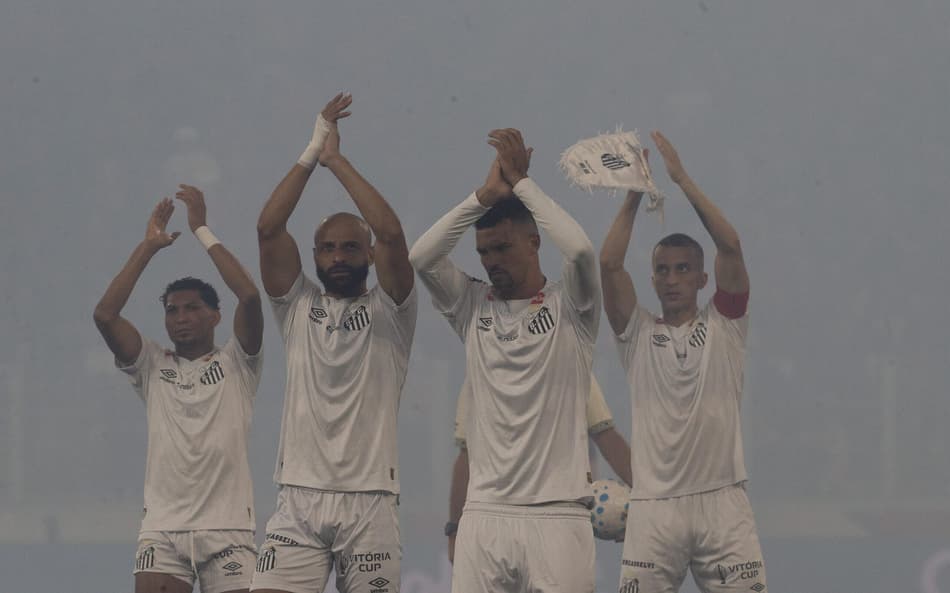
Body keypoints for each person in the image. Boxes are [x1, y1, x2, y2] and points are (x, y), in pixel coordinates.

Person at [410, 128, 600, 593]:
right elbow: (421, 257)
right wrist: (484, 197)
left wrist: (524, 186)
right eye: (484, 252)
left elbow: (578, 249)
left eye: (503, 248)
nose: (492, 260)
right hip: (484, 514)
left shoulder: (571, 306)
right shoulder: (471, 306)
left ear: (534, 243)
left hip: (557, 513)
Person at [251, 93, 416, 593]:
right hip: (296, 501)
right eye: (327, 248)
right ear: (315, 256)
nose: (338, 256)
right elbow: (268, 228)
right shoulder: (296, 305)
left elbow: (390, 232)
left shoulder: (393, 309)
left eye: (350, 246)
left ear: (366, 254)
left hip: (371, 500)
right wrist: (312, 151)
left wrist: (337, 162)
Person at [599, 131, 767, 592]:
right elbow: (610, 264)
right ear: (651, 278)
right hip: (655, 508)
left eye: (683, 269)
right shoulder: (636, 333)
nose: (672, 279)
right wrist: (636, 192)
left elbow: (731, 246)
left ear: (701, 277)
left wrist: (682, 181)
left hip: (724, 505)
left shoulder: (725, 323)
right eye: (663, 270)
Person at [93, 186, 264, 593]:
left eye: (192, 308)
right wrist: (148, 248)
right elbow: (105, 314)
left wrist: (202, 229)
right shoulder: (152, 365)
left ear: (216, 316)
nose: (180, 318)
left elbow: (251, 296)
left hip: (229, 531)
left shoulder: (238, 362)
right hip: (163, 532)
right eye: (172, 310)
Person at [446, 375, 632, 563]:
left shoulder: (572, 363)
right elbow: (606, 437)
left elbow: (607, 438)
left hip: (524, 523)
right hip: (539, 525)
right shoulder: (572, 362)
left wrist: (454, 531)